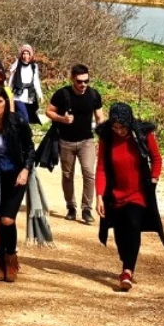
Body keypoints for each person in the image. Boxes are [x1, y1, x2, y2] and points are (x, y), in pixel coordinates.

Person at [95, 102, 164, 292]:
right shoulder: (107, 138)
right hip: (116, 193)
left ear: (129, 123)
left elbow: (156, 158)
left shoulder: (142, 134)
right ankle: (126, 259)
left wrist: (154, 178)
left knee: (133, 225)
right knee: (120, 232)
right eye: (115, 127)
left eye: (122, 127)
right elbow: (101, 167)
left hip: (139, 192)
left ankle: (127, 271)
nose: (119, 131)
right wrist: (99, 195)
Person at [0, 90, 34, 283]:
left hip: (15, 177)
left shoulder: (17, 122)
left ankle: (11, 258)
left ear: (6, 102)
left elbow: (29, 148)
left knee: (8, 220)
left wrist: (26, 169)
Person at [46, 64, 105, 224]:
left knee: (89, 174)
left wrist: (102, 139)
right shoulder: (62, 94)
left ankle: (86, 209)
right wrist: (61, 119)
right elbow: (48, 111)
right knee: (67, 175)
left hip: (87, 141)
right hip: (66, 142)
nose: (83, 85)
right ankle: (71, 207)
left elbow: (100, 118)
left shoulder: (93, 95)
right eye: (79, 81)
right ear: (72, 79)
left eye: (86, 81)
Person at [10, 44, 44, 124]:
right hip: (18, 94)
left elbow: (36, 81)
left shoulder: (34, 66)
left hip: (29, 95)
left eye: (27, 53)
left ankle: (21, 131)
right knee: (24, 116)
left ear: (30, 54)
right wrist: (9, 90)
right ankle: (26, 131)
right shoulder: (17, 63)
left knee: (26, 115)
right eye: (24, 53)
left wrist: (40, 95)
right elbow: (12, 77)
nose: (25, 56)